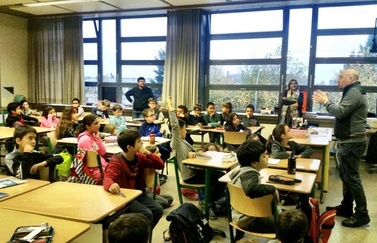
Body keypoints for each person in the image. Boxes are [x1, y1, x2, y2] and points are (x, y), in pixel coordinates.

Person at [312, 68, 370, 227]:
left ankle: (362, 214)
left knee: (352, 178)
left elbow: (341, 111)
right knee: (347, 177)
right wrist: (328, 102)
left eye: (340, 77)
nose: (338, 79)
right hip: (349, 141)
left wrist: (325, 102)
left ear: (350, 79)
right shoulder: (352, 91)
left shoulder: (354, 92)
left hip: (352, 142)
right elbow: (342, 111)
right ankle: (346, 207)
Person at [167, 96, 225, 216]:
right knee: (219, 180)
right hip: (190, 175)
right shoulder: (176, 142)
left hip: (196, 169)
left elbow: (191, 153)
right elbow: (174, 125)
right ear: (179, 131)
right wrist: (170, 105)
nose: (186, 131)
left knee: (222, 176)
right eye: (184, 129)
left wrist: (196, 154)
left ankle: (211, 202)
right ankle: (206, 203)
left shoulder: (184, 141)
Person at [103, 129, 164, 229]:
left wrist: (148, 153)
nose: (142, 144)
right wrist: (110, 185)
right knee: (147, 214)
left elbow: (160, 164)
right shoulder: (117, 161)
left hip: (138, 194)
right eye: (139, 142)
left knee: (158, 209)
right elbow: (108, 177)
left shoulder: (139, 156)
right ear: (129, 147)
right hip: (125, 197)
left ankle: (142, 236)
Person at [230, 140, 279, 237]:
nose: (268, 157)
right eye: (264, 156)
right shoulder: (250, 174)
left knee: (286, 215)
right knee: (291, 223)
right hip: (250, 220)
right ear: (254, 163)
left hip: (239, 215)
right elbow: (250, 189)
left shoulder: (241, 170)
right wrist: (272, 189)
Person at [77, 114, 108, 181]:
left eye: (99, 123)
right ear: (87, 126)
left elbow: (103, 152)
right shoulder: (85, 139)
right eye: (96, 123)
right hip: (93, 170)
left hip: (100, 166)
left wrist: (97, 138)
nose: (99, 125)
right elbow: (92, 162)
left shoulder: (93, 136)